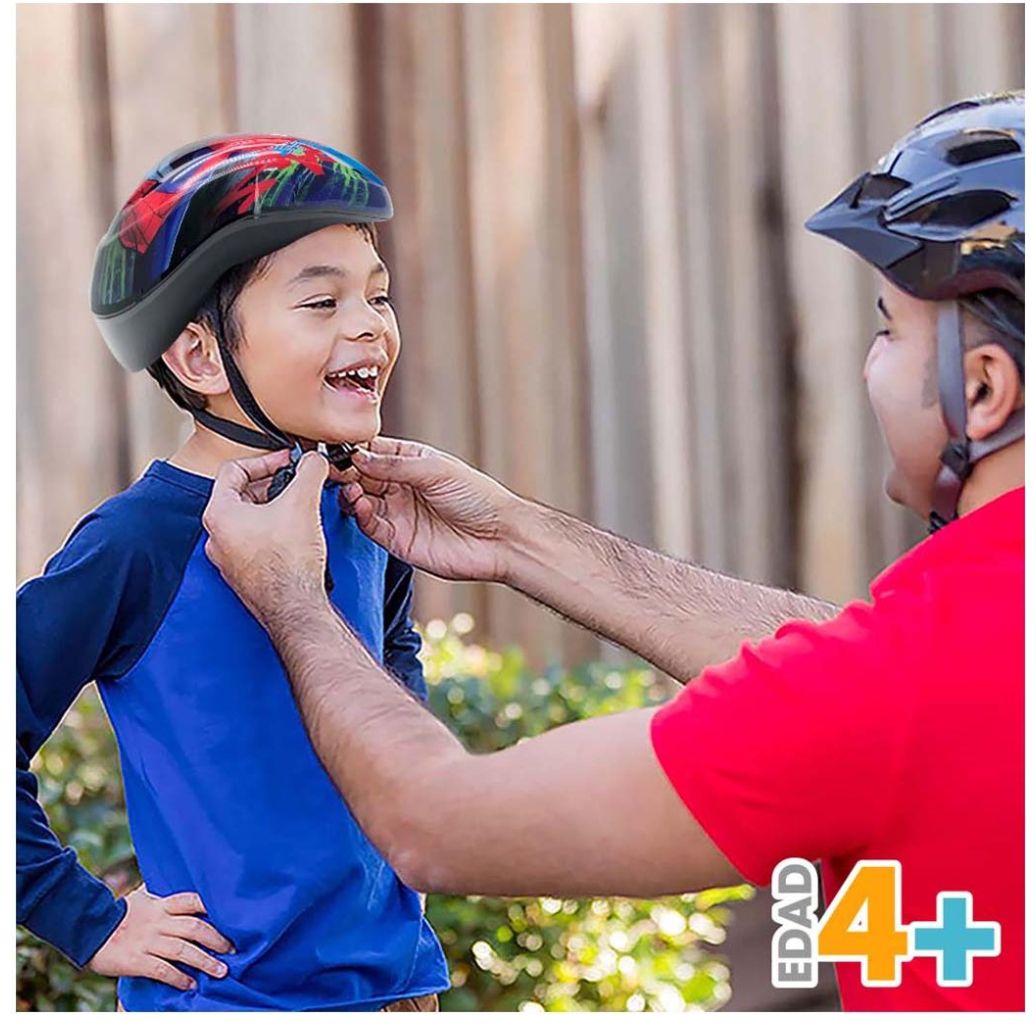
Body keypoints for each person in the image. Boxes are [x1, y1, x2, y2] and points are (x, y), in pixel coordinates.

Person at [202, 93, 1024, 1012]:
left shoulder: (907, 681)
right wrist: (514, 533)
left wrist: (292, 600)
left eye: (888, 330)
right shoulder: (958, 645)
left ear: (982, 389)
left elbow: (439, 822)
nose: (870, 361)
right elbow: (848, 667)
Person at [17, 135, 448, 1011]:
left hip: (402, 988)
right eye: (321, 301)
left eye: (377, 295)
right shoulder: (137, 544)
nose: (369, 324)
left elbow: (392, 654)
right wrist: (85, 918)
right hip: (229, 1001)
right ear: (202, 358)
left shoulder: (358, 500)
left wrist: (419, 810)